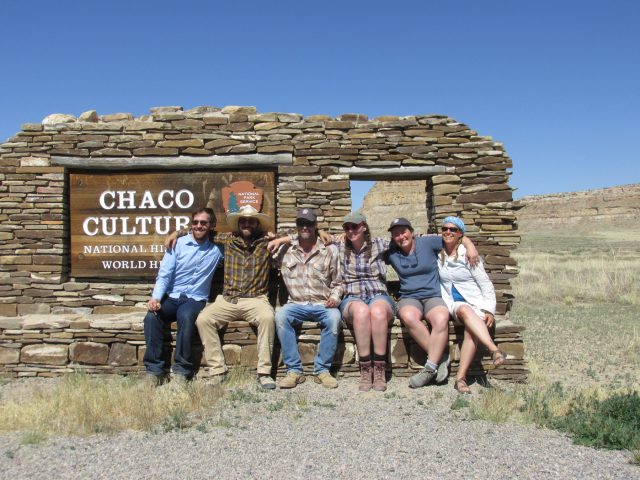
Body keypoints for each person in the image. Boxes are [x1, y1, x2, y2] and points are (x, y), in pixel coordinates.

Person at [385, 217, 479, 389]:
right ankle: (440, 357)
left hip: (433, 295)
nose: (401, 237)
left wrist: (470, 246)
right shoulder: (391, 252)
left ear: (411, 232)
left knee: (441, 317)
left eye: (403, 232)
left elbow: (455, 236)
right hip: (409, 296)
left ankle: (429, 368)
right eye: (396, 234)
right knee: (407, 316)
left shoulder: (427, 243)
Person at [193, 205, 278, 389]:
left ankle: (264, 373)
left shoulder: (266, 241)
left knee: (268, 318)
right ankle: (217, 371)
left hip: (256, 299)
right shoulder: (227, 240)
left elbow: (298, 234)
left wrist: (320, 233)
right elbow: (200, 229)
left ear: (257, 223)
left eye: (251, 220)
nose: (247, 223)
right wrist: (174, 235)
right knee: (203, 319)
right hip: (228, 299)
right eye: (243, 220)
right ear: (238, 224)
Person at [144, 208, 222, 385]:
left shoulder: (218, 248)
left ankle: (181, 370)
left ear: (211, 225)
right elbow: (165, 274)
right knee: (151, 317)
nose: (199, 226)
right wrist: (156, 298)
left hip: (195, 299)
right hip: (172, 296)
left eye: (203, 223)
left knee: (186, 317)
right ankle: (154, 370)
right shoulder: (177, 244)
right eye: (195, 223)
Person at [272, 208, 343, 389]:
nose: (305, 227)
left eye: (309, 224)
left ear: (315, 226)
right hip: (296, 303)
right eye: (301, 224)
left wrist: (335, 298)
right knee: (281, 317)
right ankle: (294, 371)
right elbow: (264, 247)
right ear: (296, 226)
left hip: (322, 303)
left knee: (334, 319)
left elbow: (339, 282)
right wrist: (279, 238)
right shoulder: (284, 250)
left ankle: (322, 371)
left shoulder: (330, 250)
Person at [437, 216, 507, 394]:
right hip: (453, 304)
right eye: (445, 228)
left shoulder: (468, 255)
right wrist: (470, 243)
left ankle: (460, 379)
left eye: (453, 229)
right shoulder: (437, 251)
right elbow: (421, 236)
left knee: (471, 330)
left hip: (476, 303)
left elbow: (485, 285)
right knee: (464, 309)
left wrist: (488, 310)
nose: (448, 232)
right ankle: (494, 350)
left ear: (460, 233)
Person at [338, 212, 395, 392]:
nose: (350, 230)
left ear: (363, 226)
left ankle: (379, 369)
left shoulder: (379, 244)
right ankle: (365, 369)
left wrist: (466, 242)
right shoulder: (339, 246)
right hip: (352, 297)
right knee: (362, 311)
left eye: (354, 226)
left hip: (378, 294)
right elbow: (314, 236)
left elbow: (410, 238)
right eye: (347, 227)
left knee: (377, 312)